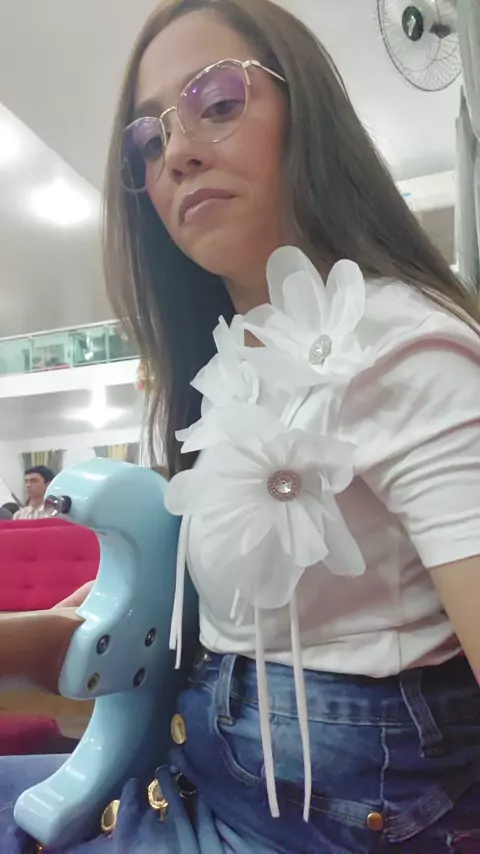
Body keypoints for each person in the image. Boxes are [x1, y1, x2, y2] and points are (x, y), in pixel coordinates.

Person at [2, 1, 480, 851]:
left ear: (308, 114)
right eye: (148, 142)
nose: (178, 152)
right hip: (193, 780)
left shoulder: (405, 348)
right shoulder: (226, 369)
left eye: (218, 101)